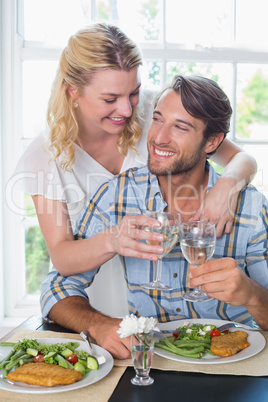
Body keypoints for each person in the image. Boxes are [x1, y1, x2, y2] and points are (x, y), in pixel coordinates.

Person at [11, 23, 257, 316]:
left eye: (134, 92)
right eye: (110, 99)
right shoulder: (46, 154)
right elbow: (62, 257)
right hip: (97, 301)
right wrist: (113, 239)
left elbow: (242, 159)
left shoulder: (157, 113)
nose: (127, 110)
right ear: (73, 91)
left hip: (162, 300)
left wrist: (226, 188)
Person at [40, 75, 268, 360]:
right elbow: (57, 285)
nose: (159, 137)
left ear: (212, 142)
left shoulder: (250, 207)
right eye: (158, 120)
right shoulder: (118, 195)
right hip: (150, 361)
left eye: (180, 127)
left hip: (237, 364)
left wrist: (252, 296)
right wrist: (98, 324)